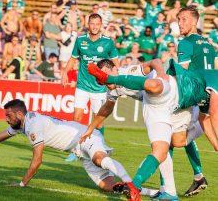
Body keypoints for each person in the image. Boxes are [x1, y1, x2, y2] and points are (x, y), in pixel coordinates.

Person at [85, 59, 218, 201]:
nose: (105, 85)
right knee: (164, 147)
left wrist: (161, 74)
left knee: (155, 87)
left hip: (170, 94)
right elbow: (107, 108)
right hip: (155, 107)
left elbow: (155, 61)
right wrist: (90, 128)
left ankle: (164, 189)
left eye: (104, 76)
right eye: (102, 78)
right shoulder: (112, 89)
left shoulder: (128, 71)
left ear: (114, 69)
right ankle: (166, 191)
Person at [0, 99, 139, 193]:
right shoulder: (23, 123)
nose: (6, 119)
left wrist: (22, 183)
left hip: (86, 137)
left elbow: (37, 160)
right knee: (106, 185)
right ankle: (135, 189)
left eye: (9, 116)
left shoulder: (33, 125)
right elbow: (3, 135)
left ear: (20, 114)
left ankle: (129, 180)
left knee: (98, 160)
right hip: (78, 149)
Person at [176, 5, 218, 197]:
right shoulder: (208, 43)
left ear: (195, 21)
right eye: (178, 19)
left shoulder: (185, 43)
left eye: (184, 19)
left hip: (196, 99)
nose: (180, 23)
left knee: (171, 140)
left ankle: (166, 189)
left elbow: (183, 74)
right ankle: (198, 176)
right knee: (182, 138)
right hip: (208, 97)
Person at [62, 13, 119, 133]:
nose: (94, 27)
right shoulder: (80, 40)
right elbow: (73, 58)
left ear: (101, 25)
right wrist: (65, 73)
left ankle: (99, 147)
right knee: (76, 118)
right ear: (88, 24)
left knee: (98, 122)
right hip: (82, 85)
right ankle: (76, 150)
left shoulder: (108, 42)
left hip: (99, 87)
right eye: (92, 24)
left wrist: (116, 80)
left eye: (97, 24)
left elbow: (116, 63)